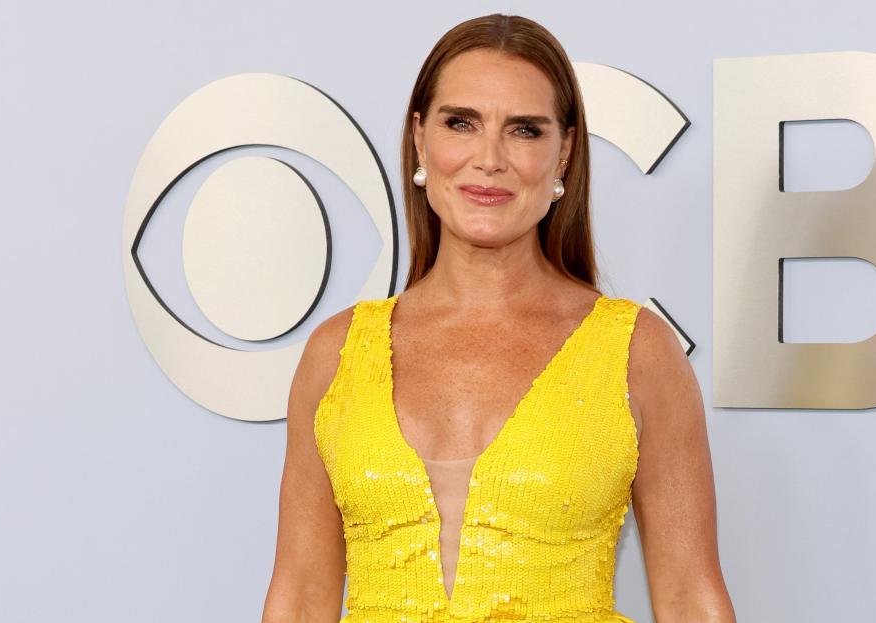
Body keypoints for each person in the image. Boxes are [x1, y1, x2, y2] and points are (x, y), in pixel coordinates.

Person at [263, 13, 735, 623]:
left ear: (564, 152)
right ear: (420, 139)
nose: (489, 159)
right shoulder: (337, 352)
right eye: (461, 123)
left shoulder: (636, 351)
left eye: (524, 131)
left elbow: (689, 597)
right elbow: (299, 596)